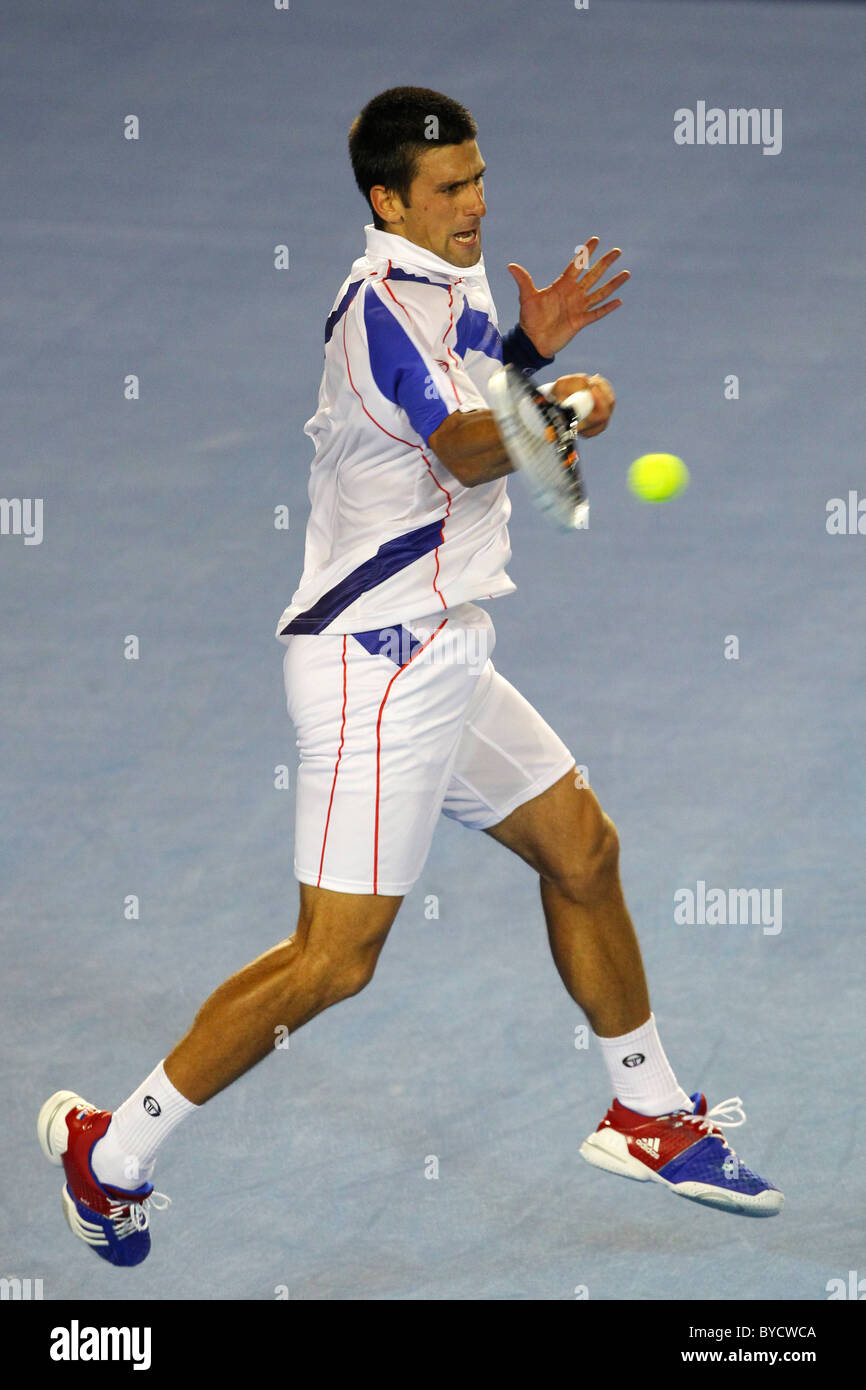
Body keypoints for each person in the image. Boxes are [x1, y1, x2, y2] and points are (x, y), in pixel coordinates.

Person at [38, 86, 783, 1268]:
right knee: (332, 958)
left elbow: (473, 384)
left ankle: (644, 1109)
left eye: (480, 178)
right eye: (448, 189)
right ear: (386, 201)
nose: (475, 204)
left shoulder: (452, 281)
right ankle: (110, 1151)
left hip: (445, 646)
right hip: (371, 667)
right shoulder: (376, 302)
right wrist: (556, 406)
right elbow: (463, 441)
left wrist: (526, 351)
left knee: (582, 850)